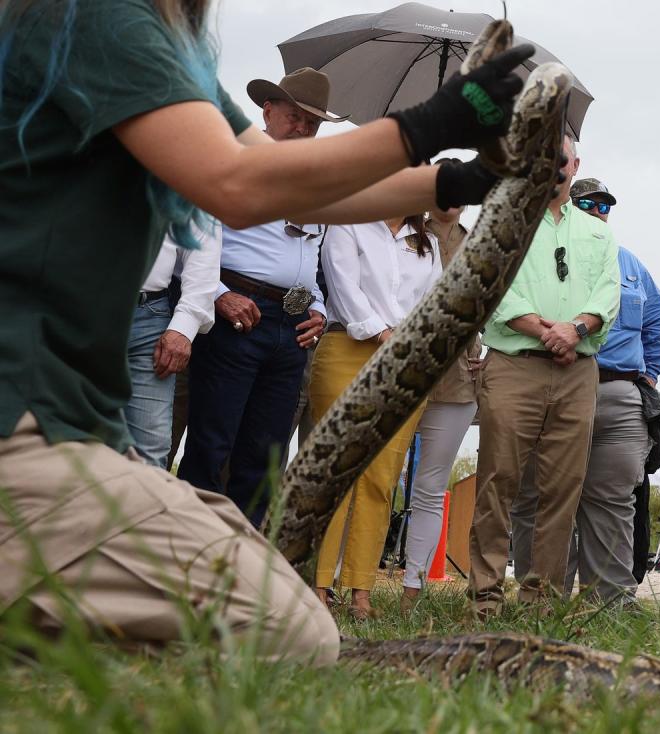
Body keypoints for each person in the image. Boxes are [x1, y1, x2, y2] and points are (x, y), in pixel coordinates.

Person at [0, 0, 533, 663]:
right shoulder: (96, 15)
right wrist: (433, 123)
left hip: (70, 420)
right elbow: (237, 184)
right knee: (290, 632)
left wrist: (459, 177)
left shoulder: (149, 41)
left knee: (251, 556)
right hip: (20, 419)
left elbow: (298, 190)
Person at [177, 69, 344, 526]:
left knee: (267, 455)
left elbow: (318, 260)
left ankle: (242, 566)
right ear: (267, 111)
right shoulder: (231, 161)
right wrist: (218, 294)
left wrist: (320, 308)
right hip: (238, 313)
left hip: (291, 326)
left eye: (312, 124)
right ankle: (191, 556)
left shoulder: (319, 181)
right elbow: (191, 235)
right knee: (212, 444)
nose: (303, 130)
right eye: (295, 117)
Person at [467, 137, 621, 617]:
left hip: (577, 371)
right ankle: (485, 595)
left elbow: (608, 293)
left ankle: (541, 599)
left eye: (561, 158)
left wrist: (575, 330)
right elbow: (492, 285)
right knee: (499, 479)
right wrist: (543, 330)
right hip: (514, 366)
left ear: (576, 165)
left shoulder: (598, 233)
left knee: (563, 486)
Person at [511, 176, 660, 603]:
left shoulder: (630, 265)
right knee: (544, 498)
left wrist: (648, 377)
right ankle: (542, 600)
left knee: (614, 502)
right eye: (588, 205)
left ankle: (610, 605)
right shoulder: (541, 254)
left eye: (604, 207)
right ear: (568, 208)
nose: (598, 213)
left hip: (618, 394)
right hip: (556, 383)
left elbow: (658, 323)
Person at [312, 214, 442, 620]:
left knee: (380, 479)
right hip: (348, 350)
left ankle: (361, 590)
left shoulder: (428, 243)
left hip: (405, 363)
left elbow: (434, 305)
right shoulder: (347, 224)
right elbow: (344, 287)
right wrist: (385, 335)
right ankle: (317, 586)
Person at [401, 192, 481, 608]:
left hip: (457, 379)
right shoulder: (402, 233)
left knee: (430, 488)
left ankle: (413, 590)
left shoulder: (480, 242)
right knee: (374, 482)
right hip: (401, 367)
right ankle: (344, 583)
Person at [124, 229, 220, 467]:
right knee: (67, 433)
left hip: (150, 315)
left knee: (151, 445)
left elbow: (203, 239)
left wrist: (184, 326)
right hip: (77, 307)